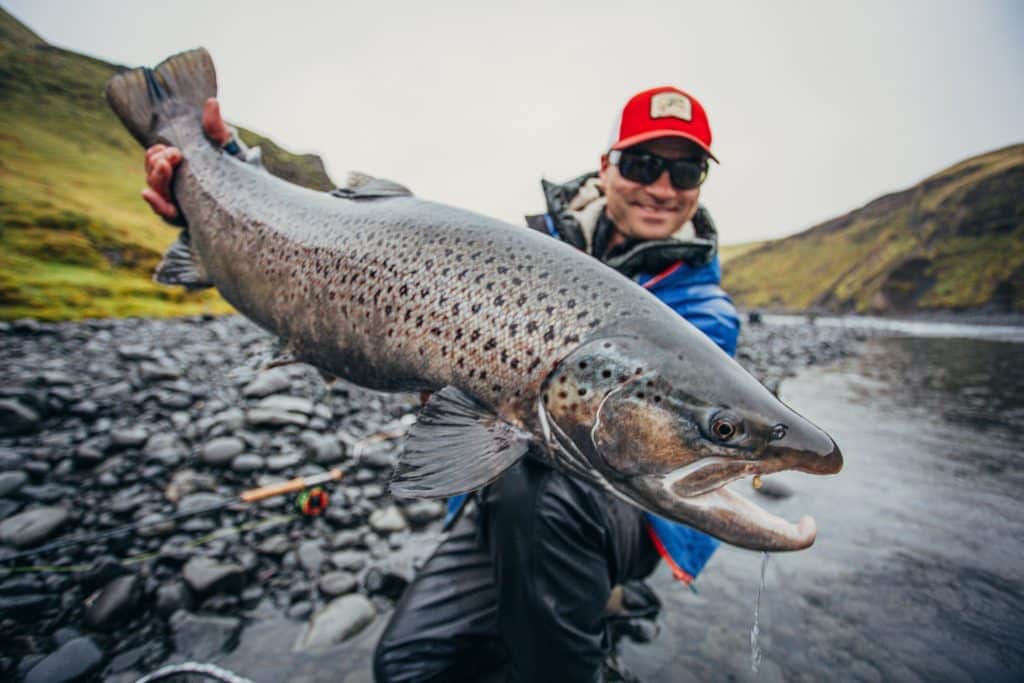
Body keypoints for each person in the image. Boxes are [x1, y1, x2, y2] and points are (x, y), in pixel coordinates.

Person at [140, 86, 740, 682]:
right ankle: (554, 613)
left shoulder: (705, 314)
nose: (663, 188)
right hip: (501, 498)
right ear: (606, 167)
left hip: (618, 509)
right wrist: (220, 169)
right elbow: (301, 225)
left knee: (537, 494)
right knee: (409, 668)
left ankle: (585, 627)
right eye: (643, 164)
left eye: (686, 171)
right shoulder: (538, 247)